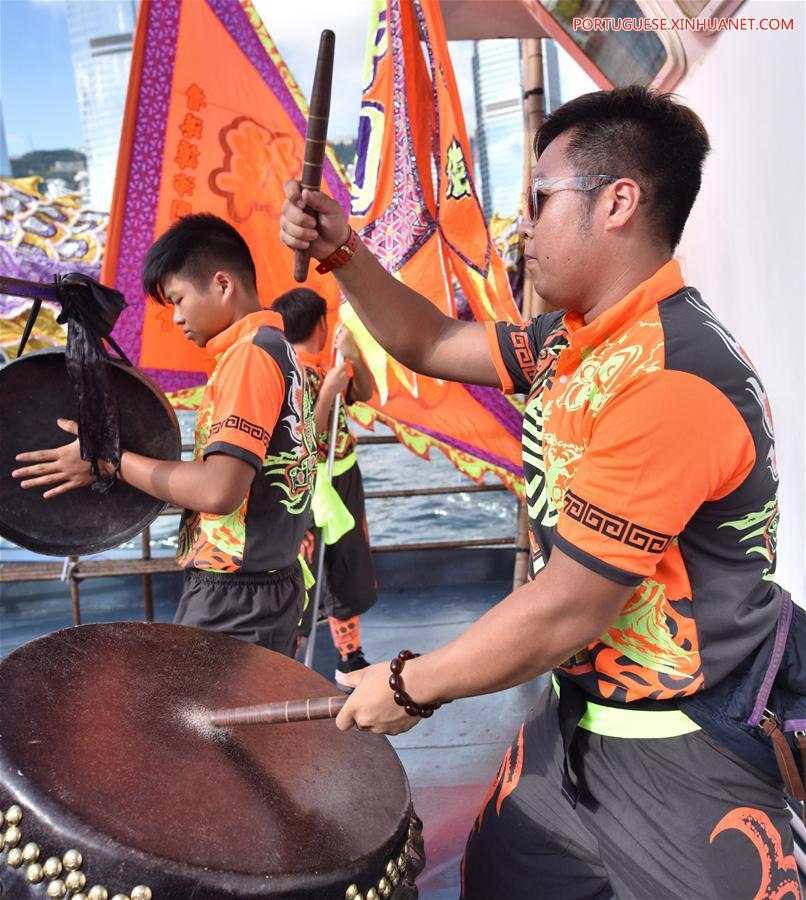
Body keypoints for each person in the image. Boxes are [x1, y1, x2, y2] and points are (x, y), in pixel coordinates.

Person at [279, 86, 801, 899]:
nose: (522, 224)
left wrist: (412, 685)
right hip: (568, 728)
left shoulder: (674, 376)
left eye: (539, 199)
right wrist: (345, 250)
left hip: (684, 754)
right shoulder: (572, 340)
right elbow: (431, 338)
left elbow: (568, 605)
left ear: (618, 202)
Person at [13, 213, 317, 657]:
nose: (175, 318)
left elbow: (218, 491)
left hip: (239, 596)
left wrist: (106, 460)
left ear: (222, 285)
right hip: (255, 585)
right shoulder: (275, 349)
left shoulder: (250, 358)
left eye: (177, 299)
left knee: (199, 724)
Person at [271, 287, 378, 687]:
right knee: (304, 574)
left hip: (344, 477)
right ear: (319, 324)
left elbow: (363, 392)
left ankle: (350, 658)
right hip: (307, 487)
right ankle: (290, 664)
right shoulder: (286, 377)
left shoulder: (323, 368)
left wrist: (351, 355)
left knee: (346, 567)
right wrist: (329, 393)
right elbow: (304, 442)